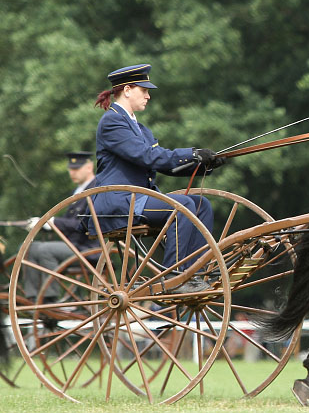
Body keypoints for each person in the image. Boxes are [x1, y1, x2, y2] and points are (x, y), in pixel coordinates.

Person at [88, 64, 224, 293]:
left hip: (140, 198)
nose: (149, 96)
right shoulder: (112, 122)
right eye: (145, 90)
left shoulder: (141, 129)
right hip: (119, 201)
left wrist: (203, 165)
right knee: (183, 207)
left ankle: (197, 272)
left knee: (202, 205)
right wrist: (191, 153)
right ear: (128, 89)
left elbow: (163, 165)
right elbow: (148, 156)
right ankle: (175, 276)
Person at [23, 151, 99, 302]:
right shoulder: (77, 191)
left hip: (88, 248)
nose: (72, 172)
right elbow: (68, 222)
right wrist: (43, 224)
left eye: (77, 169)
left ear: (89, 167)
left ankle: (49, 298)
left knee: (45, 250)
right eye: (71, 169)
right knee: (29, 247)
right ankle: (32, 297)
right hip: (72, 246)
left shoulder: (96, 189)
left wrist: (51, 222)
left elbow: (85, 224)